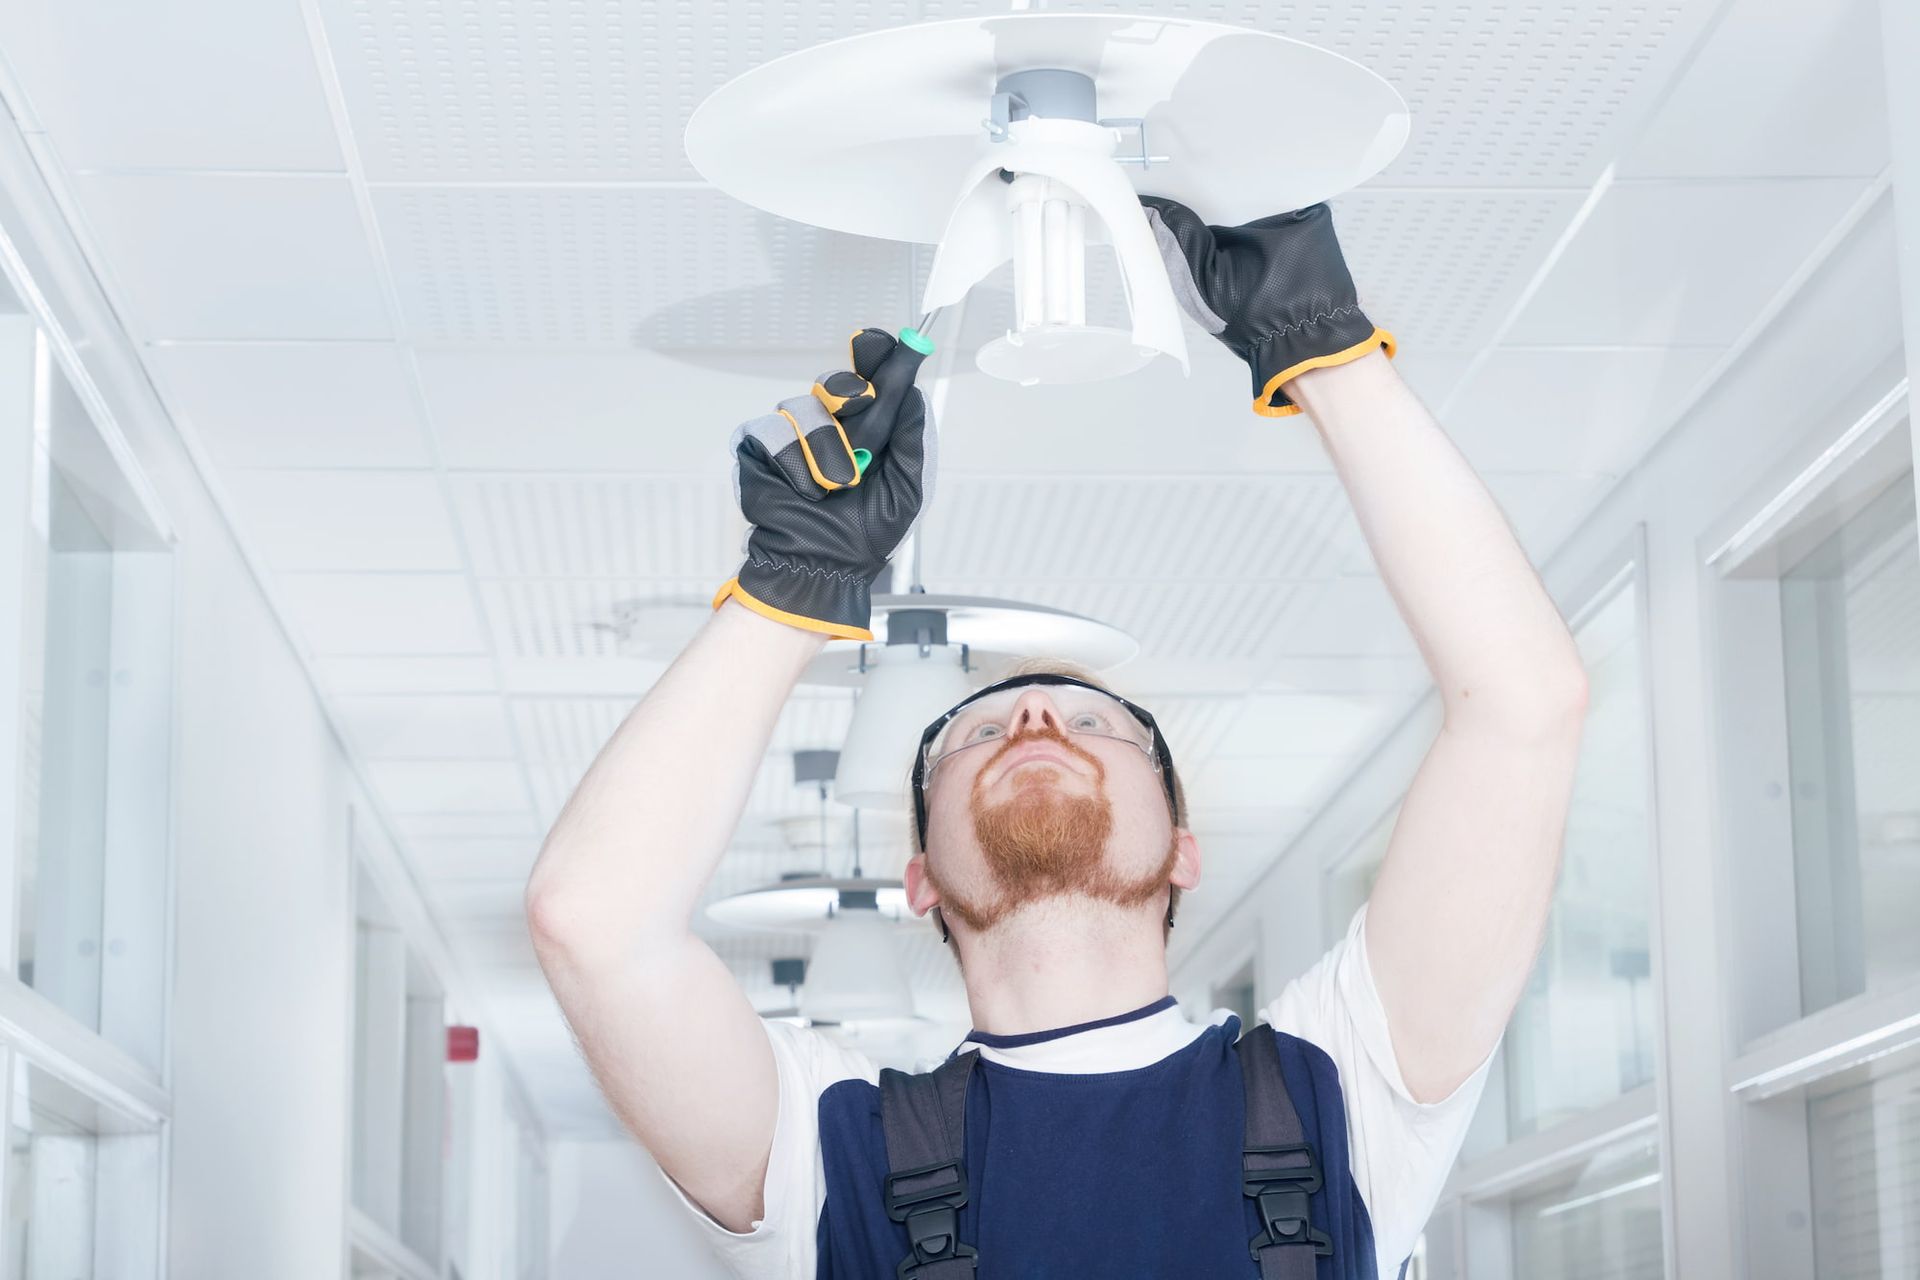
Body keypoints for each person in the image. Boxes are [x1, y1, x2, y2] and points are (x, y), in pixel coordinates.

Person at [525, 197, 1590, 1278]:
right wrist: (787, 591)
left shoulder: (1341, 1085)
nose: (1035, 714)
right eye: (976, 732)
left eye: (1096, 722)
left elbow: (1525, 709)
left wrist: (1323, 351)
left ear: (1184, 845)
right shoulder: (825, 1145)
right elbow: (594, 922)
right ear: (921, 877)